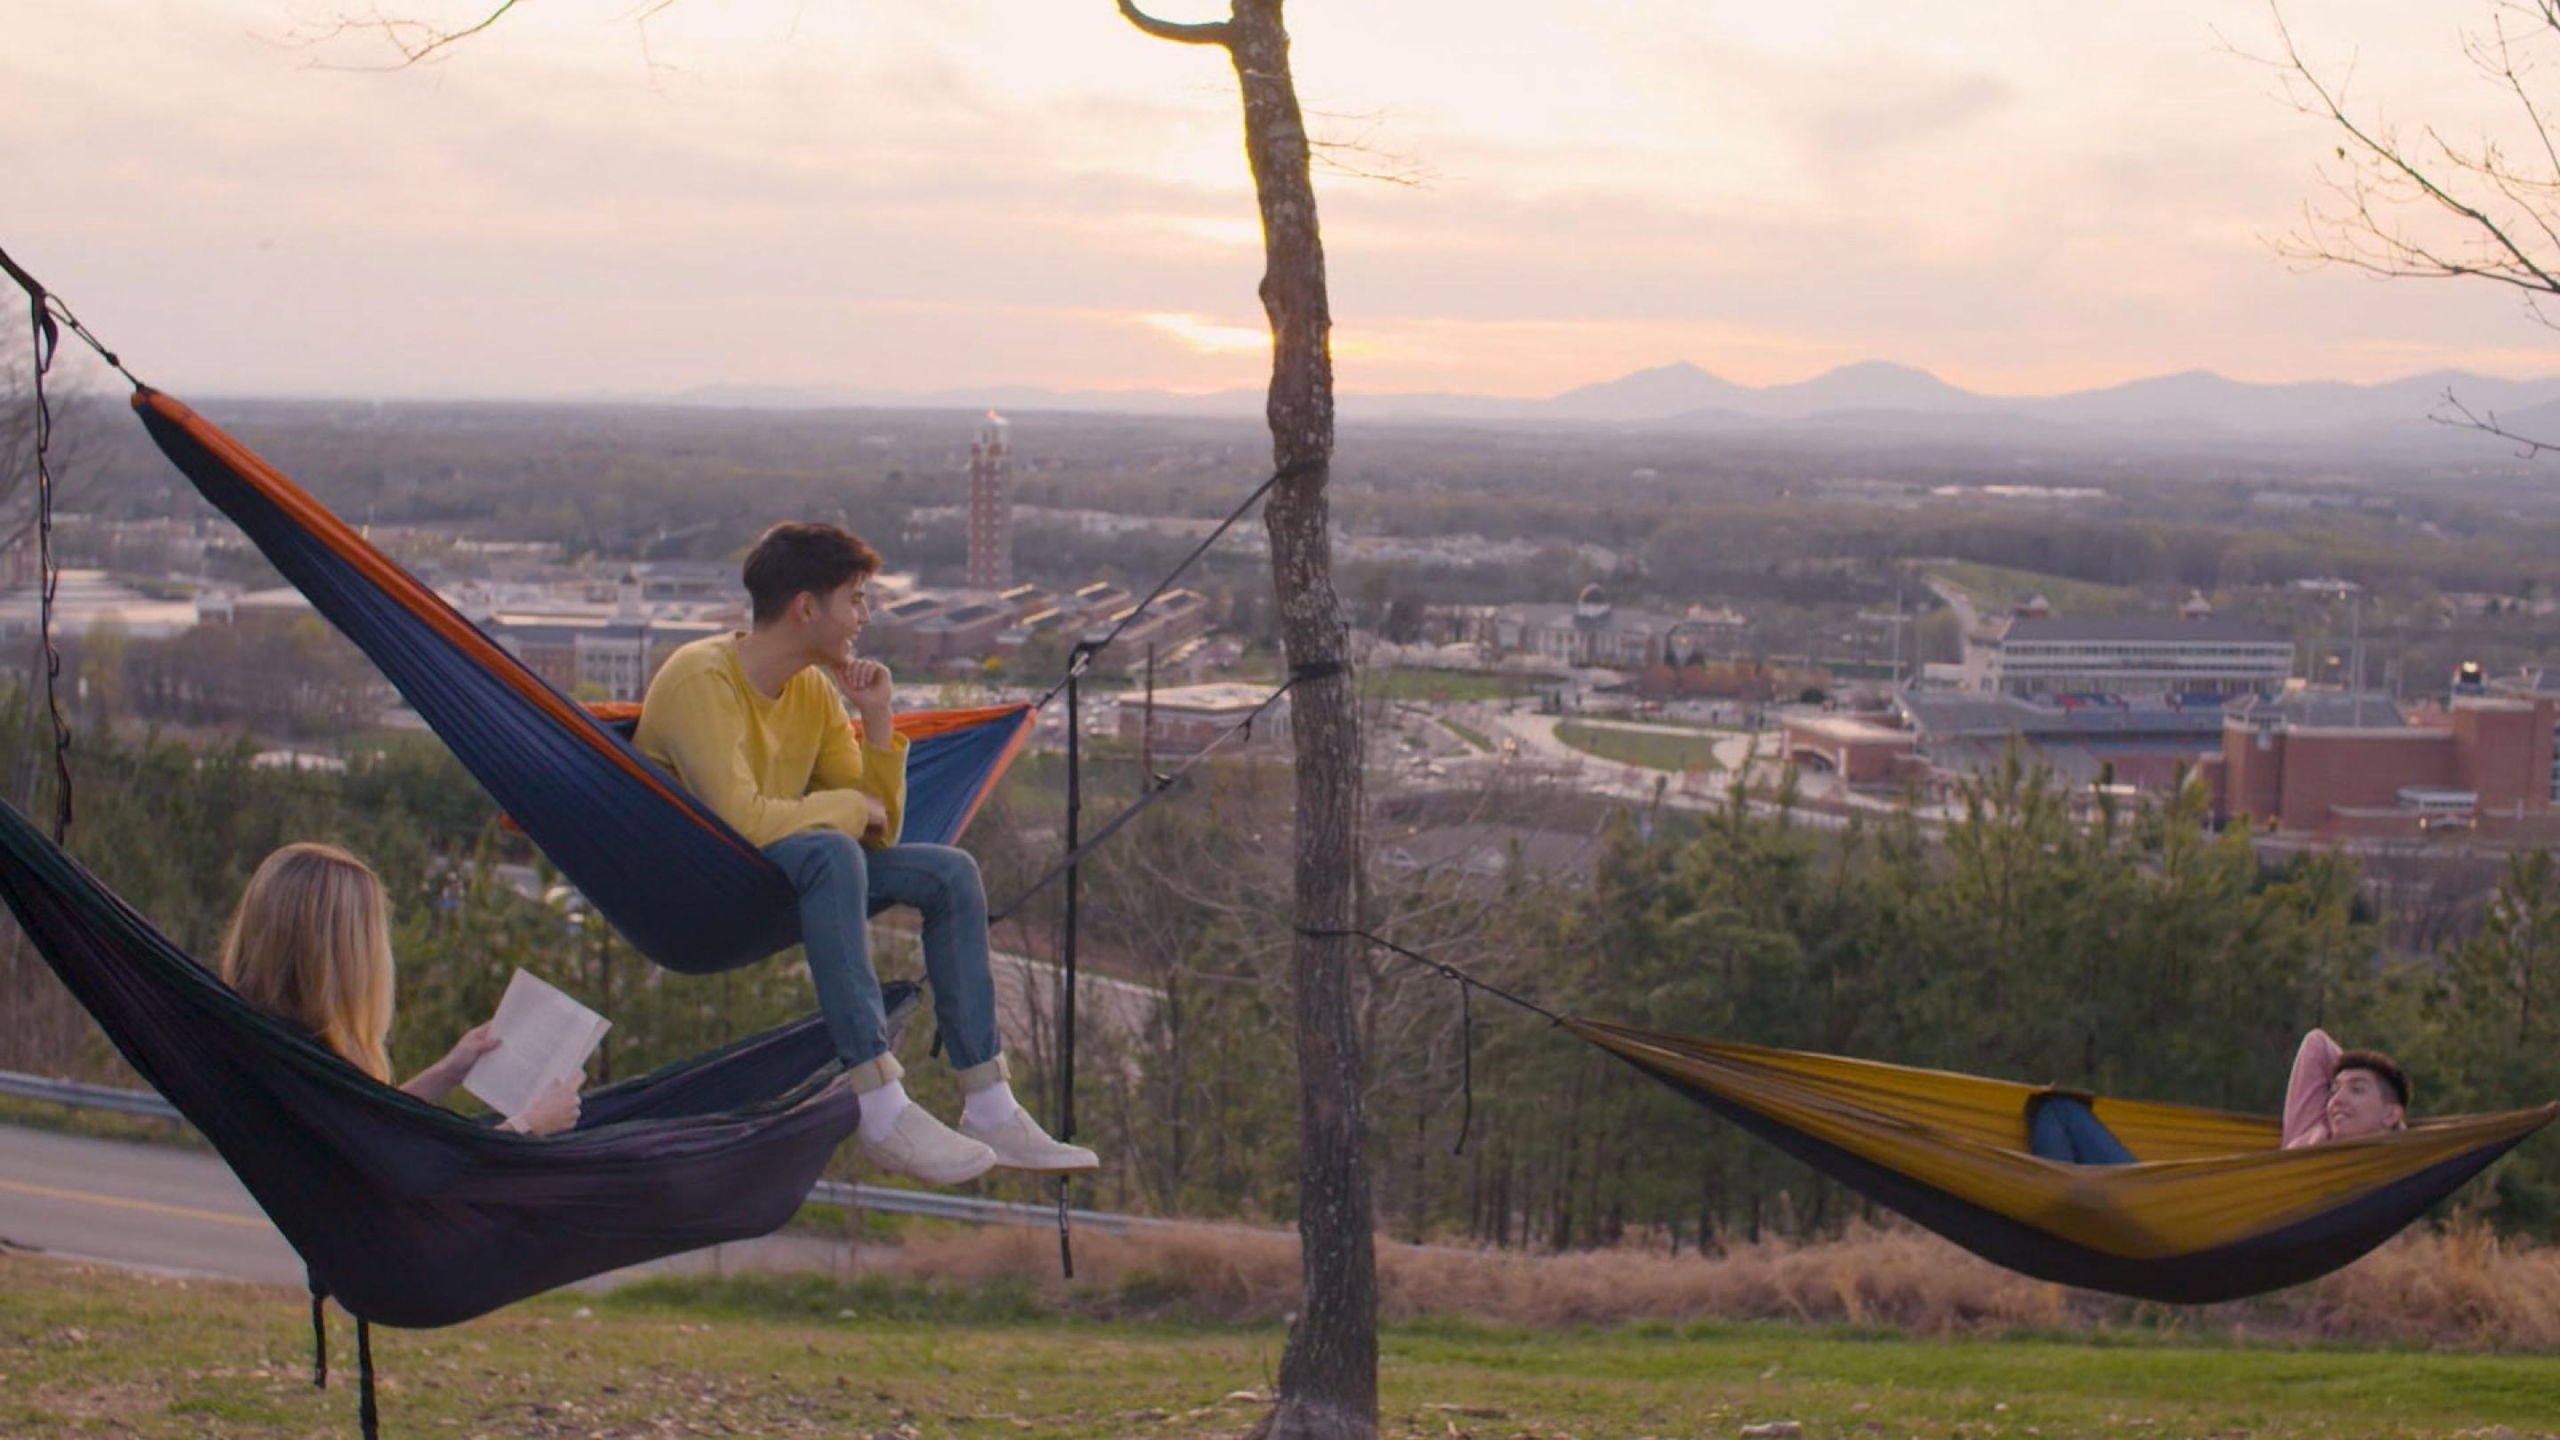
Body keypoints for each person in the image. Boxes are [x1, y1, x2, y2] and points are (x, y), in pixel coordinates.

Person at [634, 520, 1095, 1186]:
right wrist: (849, 809)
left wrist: (877, 718)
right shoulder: (701, 679)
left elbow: (883, 831)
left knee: (950, 873)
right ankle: (879, 1107)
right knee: (831, 849)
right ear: (805, 607)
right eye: (854, 600)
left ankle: (990, 1105)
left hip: (789, 878)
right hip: (703, 893)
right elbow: (741, 822)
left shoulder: (814, 690)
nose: (864, 617)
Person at [219, 842, 582, 1135]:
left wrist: (449, 1070)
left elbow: (368, 1134)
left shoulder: (271, 1042)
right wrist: (528, 1126)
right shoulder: (302, 1059)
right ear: (345, 954)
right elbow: (413, 1173)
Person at [2282, 1028, 2409, 1147]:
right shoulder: (2308, 1140)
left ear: (2390, 1114)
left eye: (2357, 1089)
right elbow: (2316, 1043)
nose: (2336, 1099)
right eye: (2333, 1091)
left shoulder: (2407, 1159)